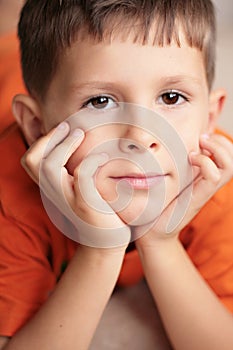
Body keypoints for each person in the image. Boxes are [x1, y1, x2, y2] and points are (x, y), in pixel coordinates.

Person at [0, 0, 233, 349]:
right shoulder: (12, 191)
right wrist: (101, 249)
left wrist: (161, 241)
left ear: (210, 117)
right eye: (100, 102)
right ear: (36, 126)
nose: (141, 137)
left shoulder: (212, 180)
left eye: (171, 97)